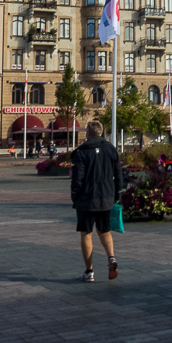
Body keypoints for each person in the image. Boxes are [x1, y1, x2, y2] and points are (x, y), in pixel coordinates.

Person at [70, 120, 122, 282]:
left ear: (88, 132)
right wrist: (117, 194)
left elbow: (78, 177)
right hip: (106, 196)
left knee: (86, 233)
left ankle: (89, 271)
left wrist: (75, 195)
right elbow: (119, 174)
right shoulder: (111, 150)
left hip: (87, 198)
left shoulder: (82, 151)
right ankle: (111, 258)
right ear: (101, 132)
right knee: (104, 230)